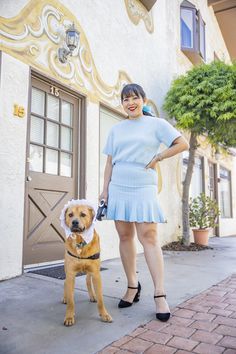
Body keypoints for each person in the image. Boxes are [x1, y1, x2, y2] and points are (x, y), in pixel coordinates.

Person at [100, 83, 189, 321]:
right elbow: (109, 163)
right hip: (118, 185)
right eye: (125, 99)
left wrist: (159, 157)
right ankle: (131, 285)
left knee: (149, 237)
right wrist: (104, 191)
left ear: (144, 100)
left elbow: (182, 143)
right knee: (125, 236)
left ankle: (160, 294)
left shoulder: (157, 124)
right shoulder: (116, 129)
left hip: (143, 186)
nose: (130, 103)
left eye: (134, 98)